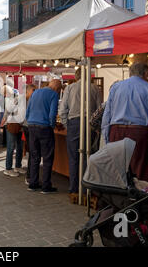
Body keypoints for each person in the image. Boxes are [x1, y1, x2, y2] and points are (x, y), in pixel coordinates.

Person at [102, 63, 148, 181]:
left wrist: (107, 139)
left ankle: (119, 199)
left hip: (116, 132)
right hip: (139, 134)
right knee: (140, 174)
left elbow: (106, 116)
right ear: (146, 73)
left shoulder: (116, 87)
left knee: (117, 174)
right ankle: (138, 199)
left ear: (130, 72)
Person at [59, 69, 102, 200]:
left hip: (74, 124)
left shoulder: (70, 88)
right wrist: (96, 127)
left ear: (76, 76)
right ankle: (87, 188)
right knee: (89, 157)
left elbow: (62, 110)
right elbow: (100, 109)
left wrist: (68, 125)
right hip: (90, 124)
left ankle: (74, 189)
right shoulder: (95, 88)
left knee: (74, 158)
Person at [26, 79, 62, 194]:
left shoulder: (36, 92)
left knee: (34, 156)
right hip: (44, 127)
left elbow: (28, 110)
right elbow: (52, 114)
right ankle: (46, 186)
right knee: (47, 158)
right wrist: (51, 125)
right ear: (57, 88)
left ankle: (33, 183)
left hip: (31, 126)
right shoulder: (54, 95)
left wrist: (30, 121)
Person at [0, 84, 25, 177]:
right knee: (11, 147)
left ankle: (18, 166)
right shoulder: (12, 99)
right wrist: (4, 120)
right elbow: (8, 111)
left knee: (19, 147)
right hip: (12, 124)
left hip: (18, 124)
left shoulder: (17, 97)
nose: (4, 95)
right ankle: (8, 168)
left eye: (5, 93)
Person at [22, 84, 37, 184]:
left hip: (28, 126)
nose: (35, 92)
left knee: (32, 151)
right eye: (34, 90)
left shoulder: (30, 99)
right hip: (28, 126)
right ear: (28, 90)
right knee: (32, 151)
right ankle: (29, 176)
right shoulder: (24, 100)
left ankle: (30, 175)